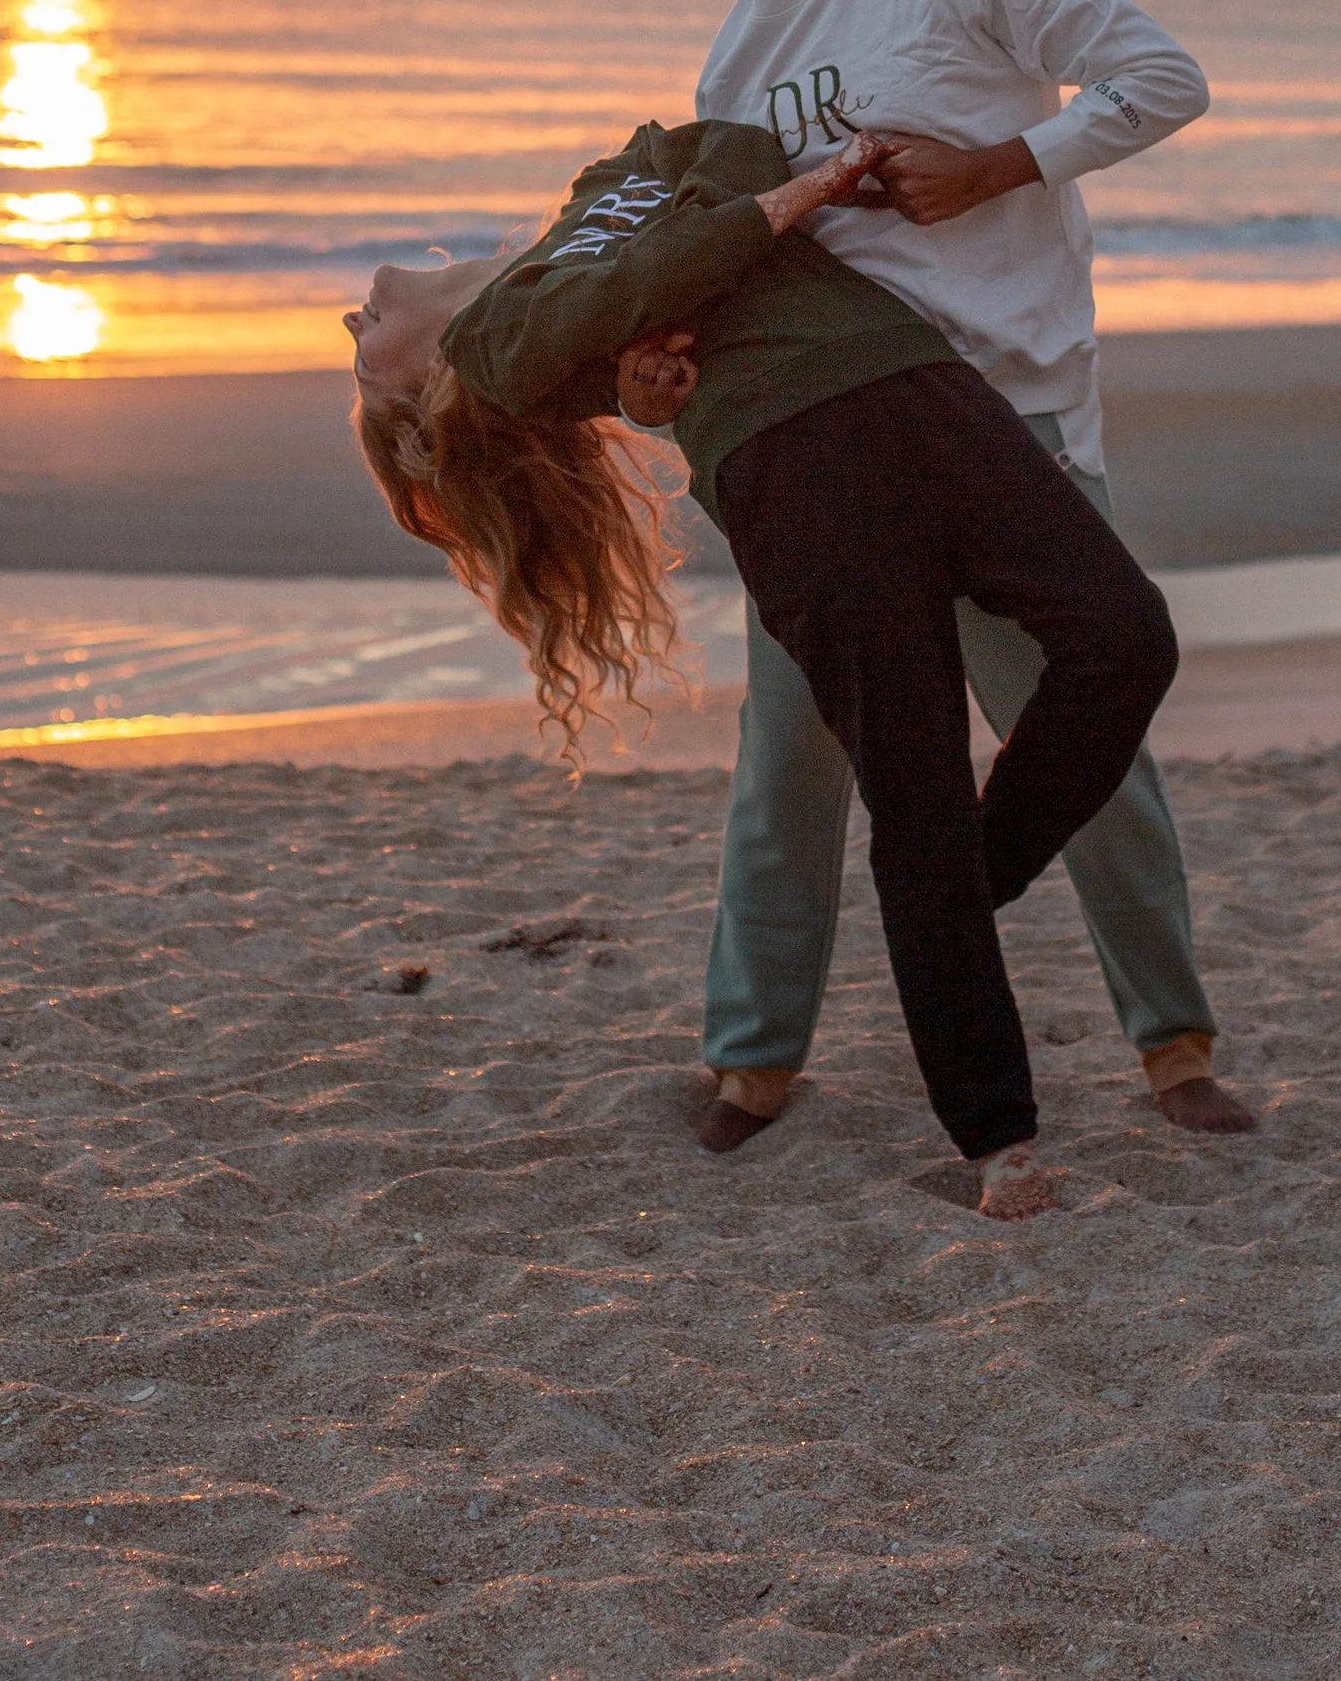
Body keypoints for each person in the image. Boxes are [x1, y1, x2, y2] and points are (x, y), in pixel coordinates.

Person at [347, 117, 1179, 1216]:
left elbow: (726, 148)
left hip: (920, 387)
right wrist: (726, 242)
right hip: (791, 471)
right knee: (915, 789)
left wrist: (681, 273)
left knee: (1125, 636)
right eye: (359, 358)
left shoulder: (595, 193)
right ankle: (998, 1141)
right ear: (427, 400)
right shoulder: (497, 353)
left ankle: (966, 891)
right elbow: (676, 239)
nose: (351, 315)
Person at [651, 0, 1257, 1153]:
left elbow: (1162, 79)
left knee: (1093, 744)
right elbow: (755, 255)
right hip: (832, 447)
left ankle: (1173, 1046)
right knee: (785, 763)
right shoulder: (737, 60)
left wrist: (1000, 164)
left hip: (1015, 428)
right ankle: (754, 1063)